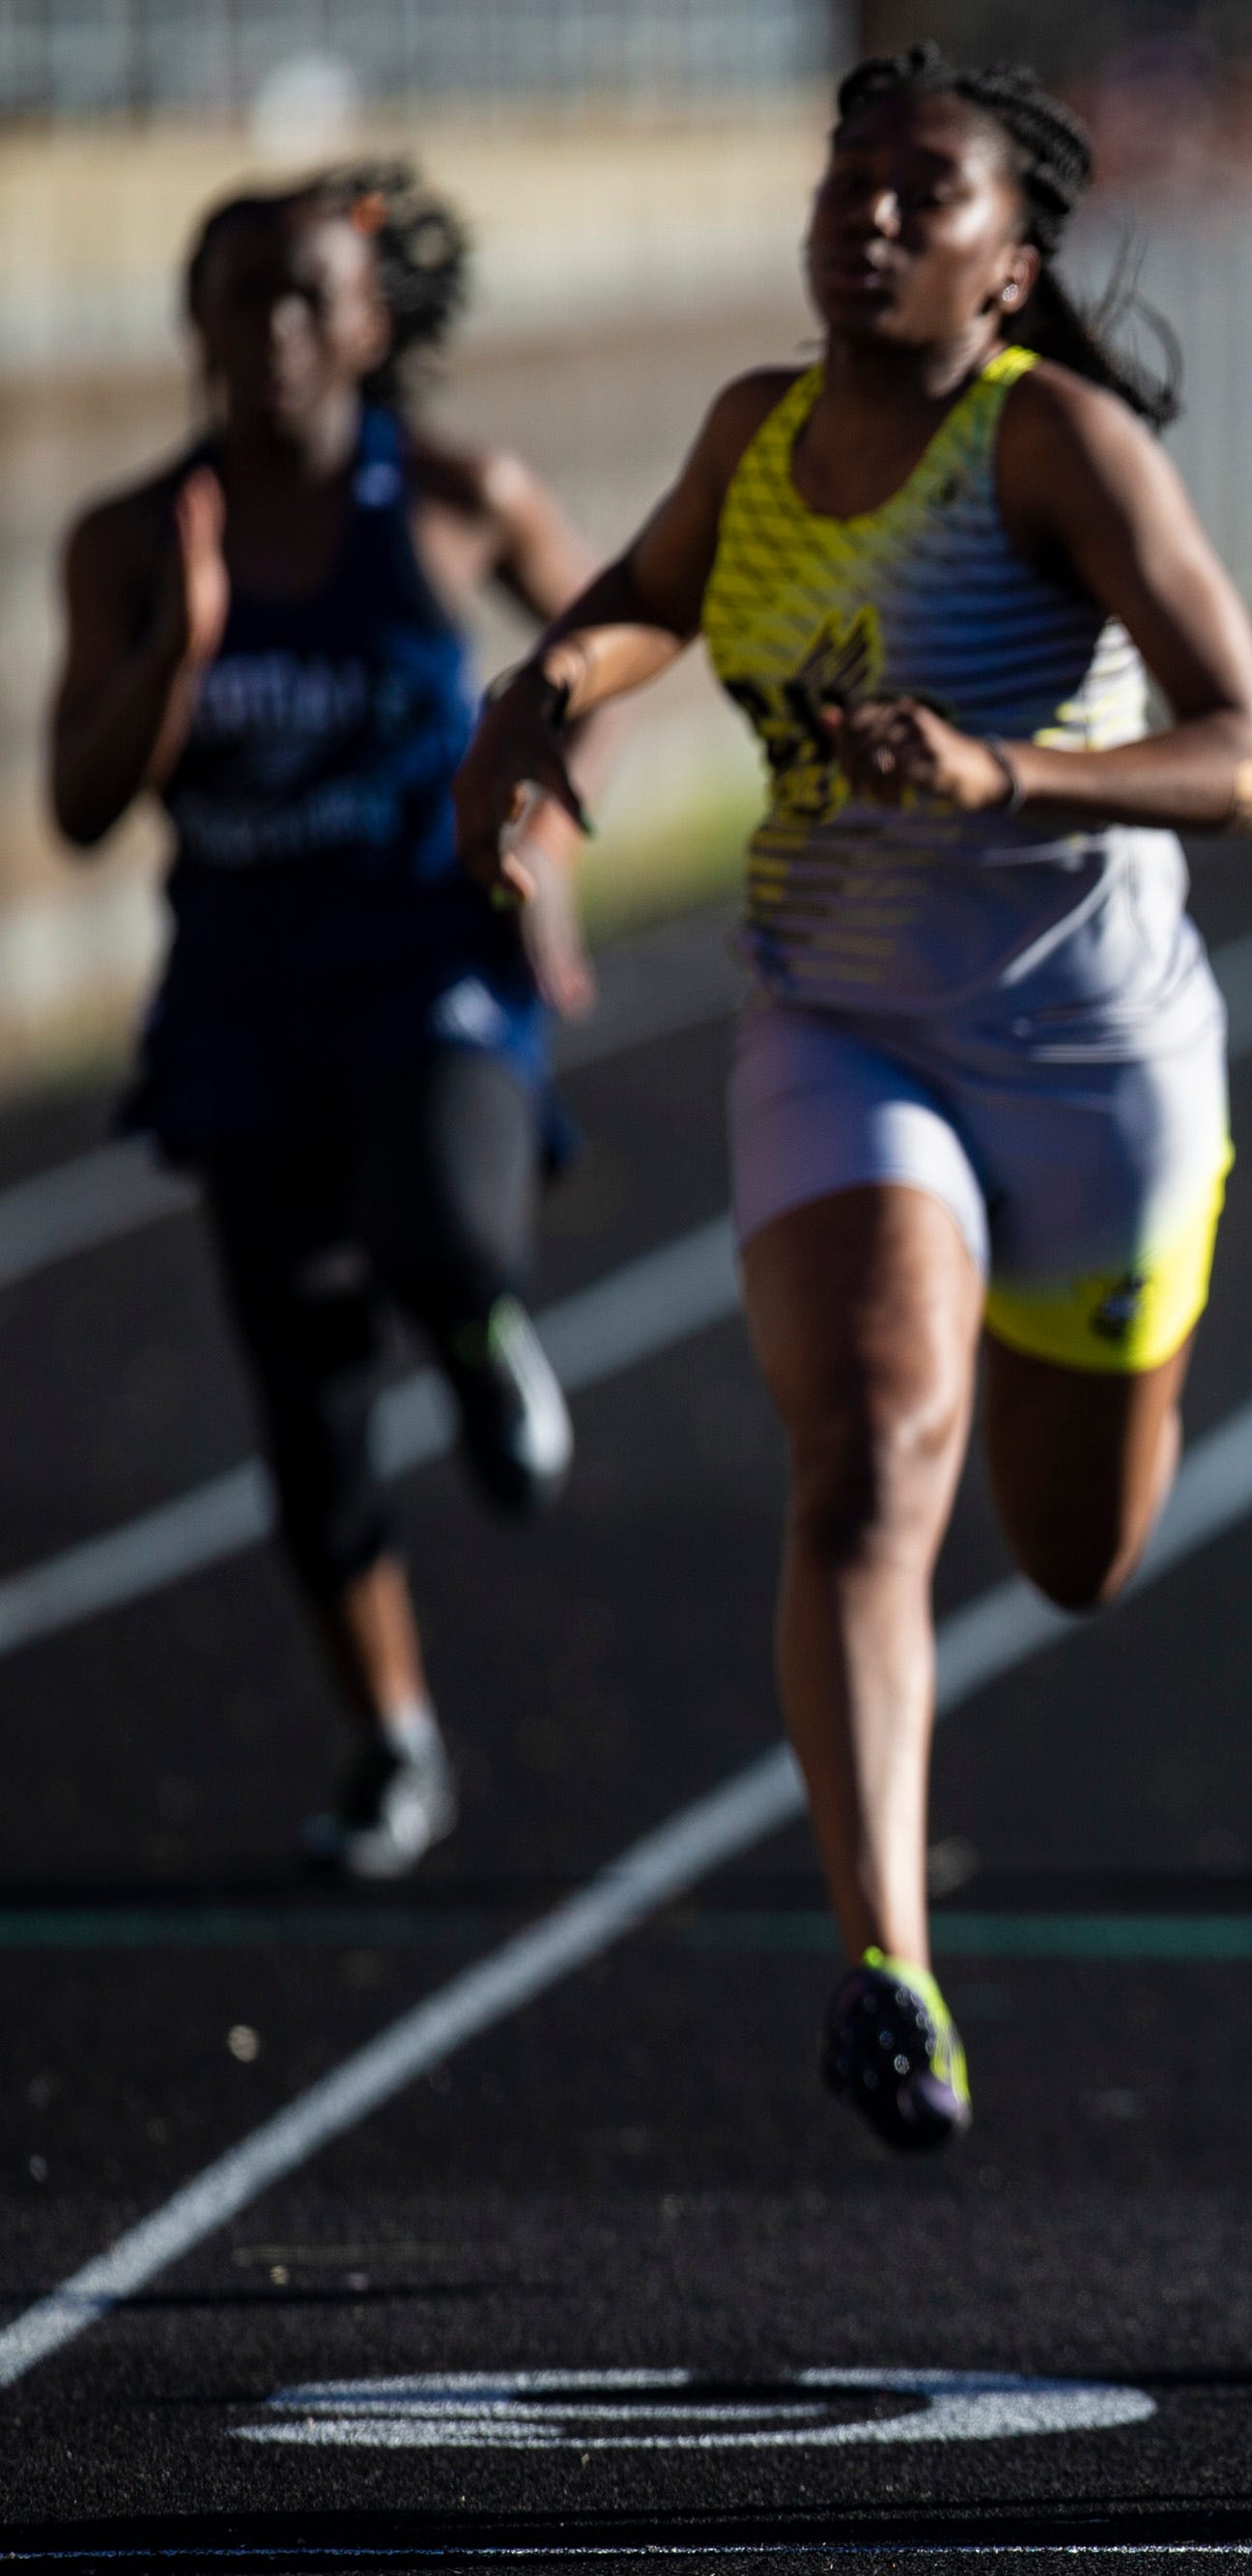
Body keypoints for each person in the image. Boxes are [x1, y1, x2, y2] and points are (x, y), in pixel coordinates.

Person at [452, 46, 1252, 2152]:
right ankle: (886, 1960)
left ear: (1007, 265)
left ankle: (1109, 1339)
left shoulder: (1058, 451)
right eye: (850, 178)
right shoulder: (754, 428)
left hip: (1090, 1051)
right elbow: (650, 596)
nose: (869, 215)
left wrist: (1007, 767)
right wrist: (536, 694)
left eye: (923, 192)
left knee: (1073, 1546)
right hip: (839, 1019)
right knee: (865, 1446)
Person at [49, 162, 603, 1882]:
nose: (273, 336)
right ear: (196, 326)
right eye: (238, 302)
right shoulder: (135, 540)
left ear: (367, 321)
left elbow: (605, 662)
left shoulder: (457, 499)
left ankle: (477, 1334)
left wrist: (551, 850)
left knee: (439, 1228)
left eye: (306, 300)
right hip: (246, 992)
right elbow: (78, 806)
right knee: (303, 1401)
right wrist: (178, 654)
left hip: (425, 949)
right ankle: (391, 1742)